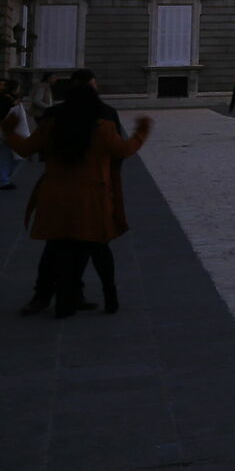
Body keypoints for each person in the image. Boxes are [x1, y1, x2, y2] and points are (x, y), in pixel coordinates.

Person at [7, 79, 151, 317]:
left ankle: (50, 298)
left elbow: (24, 149)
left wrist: (8, 131)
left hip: (56, 196)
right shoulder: (102, 127)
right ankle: (108, 297)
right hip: (91, 198)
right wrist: (141, 132)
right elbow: (124, 150)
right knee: (97, 248)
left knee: (55, 248)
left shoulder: (51, 125)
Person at [0, 80, 26, 189]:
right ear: (15, 89)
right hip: (7, 134)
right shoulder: (7, 100)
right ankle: (4, 180)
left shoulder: (9, 99)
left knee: (8, 157)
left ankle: (4, 179)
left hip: (7, 133)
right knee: (8, 157)